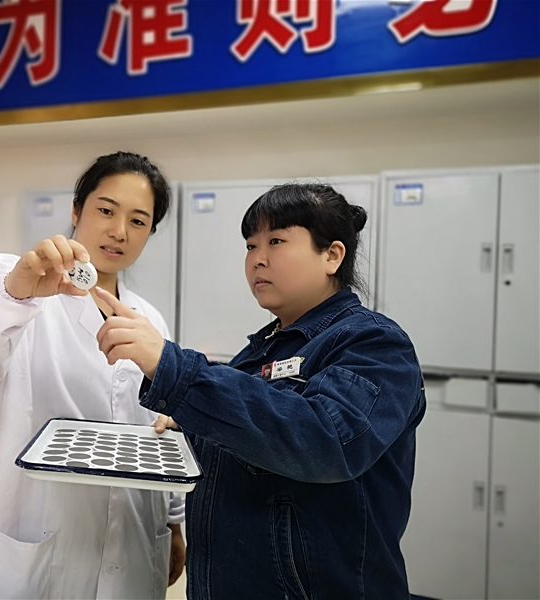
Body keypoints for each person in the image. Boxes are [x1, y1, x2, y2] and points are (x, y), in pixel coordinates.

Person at [94, 183, 427, 599]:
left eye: (276, 241)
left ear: (332, 255)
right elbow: (255, 439)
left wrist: (173, 369)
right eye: (251, 246)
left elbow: (327, 441)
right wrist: (192, 422)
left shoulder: (374, 344)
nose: (258, 259)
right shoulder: (259, 353)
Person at [0, 151, 185, 599]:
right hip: (40, 547)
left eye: (138, 221)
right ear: (76, 210)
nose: (119, 231)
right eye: (106, 210)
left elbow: (161, 428)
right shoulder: (27, 299)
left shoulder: (151, 320)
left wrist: (174, 523)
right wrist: (15, 290)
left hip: (135, 538)